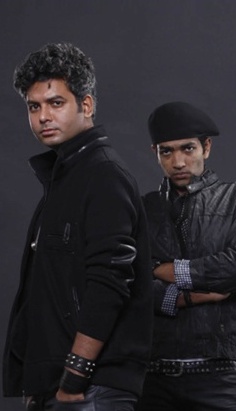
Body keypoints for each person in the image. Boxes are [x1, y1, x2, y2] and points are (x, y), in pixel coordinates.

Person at [2, 43, 152, 410]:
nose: (43, 117)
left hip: (90, 389)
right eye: (34, 106)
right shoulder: (63, 180)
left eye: (56, 103)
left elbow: (110, 281)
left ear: (86, 105)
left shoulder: (103, 175)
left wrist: (74, 374)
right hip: (57, 386)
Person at [136, 101, 236, 410]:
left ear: (206, 147)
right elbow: (132, 285)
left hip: (219, 374)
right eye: (166, 151)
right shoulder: (142, 209)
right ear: (155, 152)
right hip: (152, 377)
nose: (178, 161)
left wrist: (164, 270)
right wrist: (194, 297)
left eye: (187, 149)